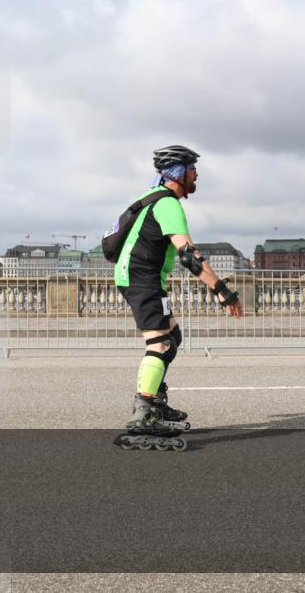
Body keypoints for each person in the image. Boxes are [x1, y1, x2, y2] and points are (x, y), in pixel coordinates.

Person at [115, 145, 243, 437]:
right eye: (192, 168)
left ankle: (156, 402)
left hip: (138, 277)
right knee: (159, 343)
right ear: (179, 173)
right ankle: (144, 412)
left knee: (173, 337)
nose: (196, 174)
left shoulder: (149, 198)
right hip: (140, 278)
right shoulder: (168, 204)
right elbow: (188, 255)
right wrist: (222, 291)